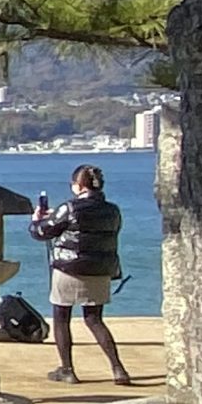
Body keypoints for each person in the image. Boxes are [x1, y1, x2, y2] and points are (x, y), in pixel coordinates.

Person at [31, 164, 131, 385]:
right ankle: (118, 369)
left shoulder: (69, 208)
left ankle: (67, 369)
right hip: (100, 269)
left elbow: (42, 232)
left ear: (79, 185)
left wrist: (37, 220)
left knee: (61, 317)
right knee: (94, 319)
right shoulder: (112, 210)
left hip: (69, 268)